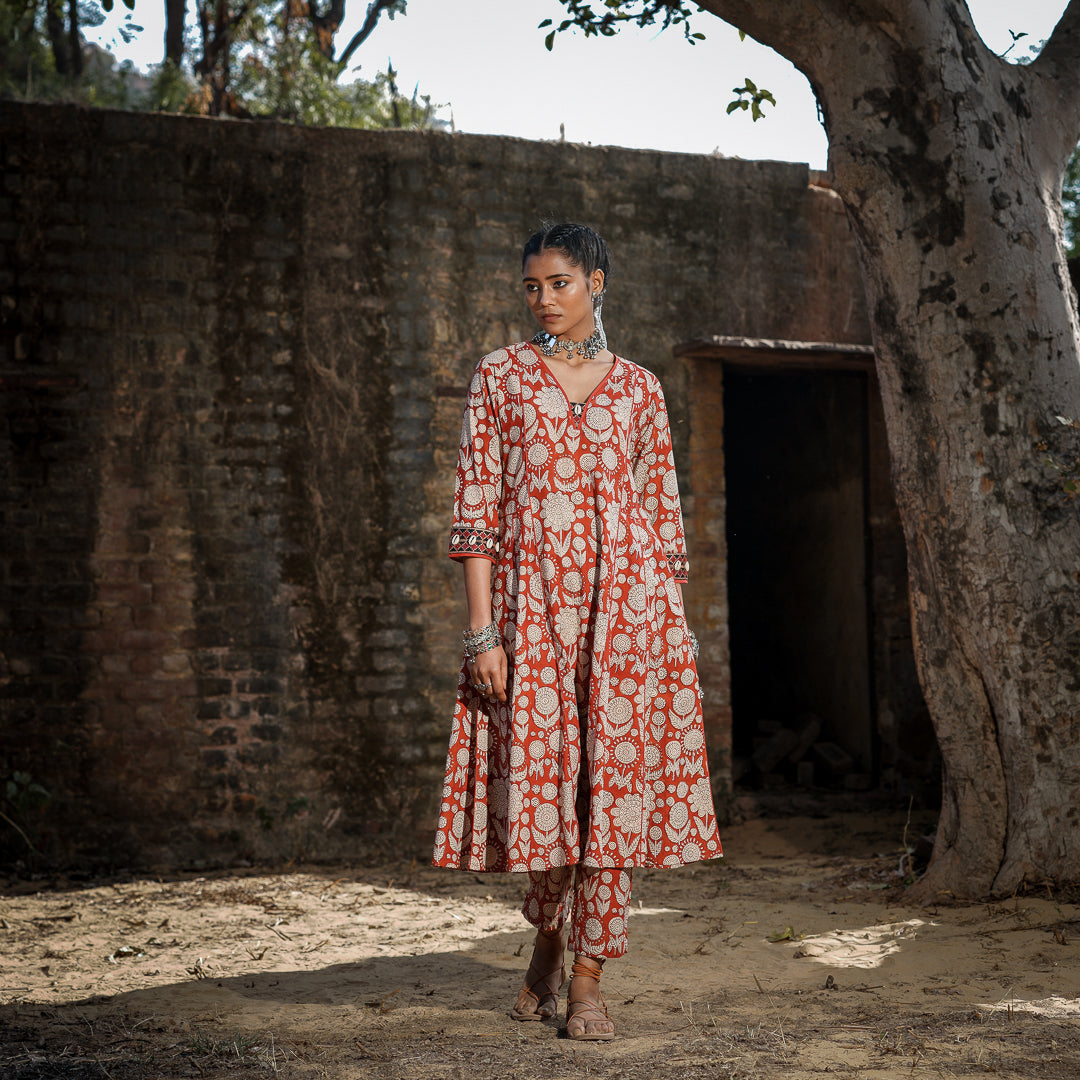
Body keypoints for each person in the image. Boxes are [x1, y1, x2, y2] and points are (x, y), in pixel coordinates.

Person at [433, 222, 722, 1040]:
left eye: (559, 283)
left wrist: (671, 634)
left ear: (597, 283)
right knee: (551, 798)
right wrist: (482, 635)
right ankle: (549, 942)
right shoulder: (501, 377)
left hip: (629, 623)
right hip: (534, 622)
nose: (543, 299)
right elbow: (476, 512)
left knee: (614, 798)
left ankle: (588, 982)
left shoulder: (640, 389)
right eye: (532, 286)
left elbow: (661, 523)